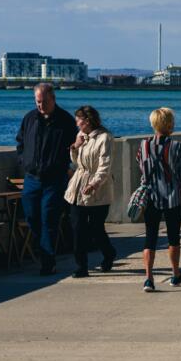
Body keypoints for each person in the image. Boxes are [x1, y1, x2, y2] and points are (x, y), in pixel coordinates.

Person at [16, 83, 77, 276]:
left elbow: (75, 148)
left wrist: (68, 167)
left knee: (49, 218)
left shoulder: (66, 121)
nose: (40, 105)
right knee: (31, 217)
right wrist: (23, 160)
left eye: (43, 102)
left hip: (55, 179)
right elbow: (20, 142)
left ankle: (47, 262)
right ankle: (43, 253)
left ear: (53, 99)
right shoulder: (30, 118)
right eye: (37, 102)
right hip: (32, 178)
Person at [137, 107, 181, 292]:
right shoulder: (177, 147)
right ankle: (175, 274)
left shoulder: (143, 145)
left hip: (151, 197)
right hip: (172, 197)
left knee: (150, 237)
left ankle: (148, 279)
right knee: (173, 237)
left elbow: (140, 166)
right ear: (168, 124)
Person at [64, 105, 116, 278]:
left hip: (98, 190)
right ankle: (81, 266)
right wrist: (75, 147)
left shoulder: (105, 138)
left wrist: (94, 184)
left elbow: (105, 166)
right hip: (78, 185)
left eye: (78, 120)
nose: (76, 124)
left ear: (87, 121)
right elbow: (76, 162)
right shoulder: (80, 135)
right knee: (77, 228)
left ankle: (108, 253)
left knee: (96, 229)